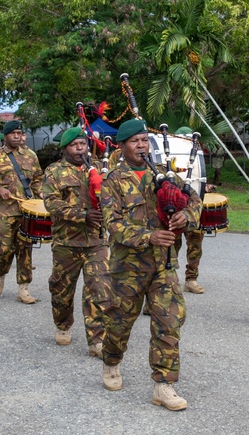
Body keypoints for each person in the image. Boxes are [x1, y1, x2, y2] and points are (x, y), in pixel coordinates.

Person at [99, 119, 201, 410]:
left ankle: (163, 385)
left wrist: (186, 216)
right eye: (135, 141)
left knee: (169, 322)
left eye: (145, 140)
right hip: (128, 267)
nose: (142, 145)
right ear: (122, 146)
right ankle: (112, 361)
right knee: (119, 322)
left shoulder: (165, 175)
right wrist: (149, 236)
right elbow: (113, 224)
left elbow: (194, 200)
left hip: (164, 266)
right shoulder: (113, 181)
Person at [42, 127, 107, 355]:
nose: (80, 148)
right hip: (66, 242)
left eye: (83, 144)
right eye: (74, 145)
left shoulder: (98, 168)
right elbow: (52, 204)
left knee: (99, 289)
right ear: (65, 148)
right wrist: (82, 215)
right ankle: (62, 324)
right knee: (61, 290)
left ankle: (97, 340)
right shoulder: (54, 172)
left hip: (96, 241)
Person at [0, 120, 43, 303]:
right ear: (5, 136)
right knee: (3, 248)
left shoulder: (30, 155)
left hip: (27, 210)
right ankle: (0, 272)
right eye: (12, 133)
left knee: (25, 249)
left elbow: (37, 179)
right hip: (4, 211)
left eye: (19, 133)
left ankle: (24, 288)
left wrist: (41, 194)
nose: (16, 136)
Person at [171, 126, 209, 294]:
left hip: (192, 208)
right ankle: (168, 279)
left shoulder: (195, 154)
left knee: (195, 245)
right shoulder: (170, 155)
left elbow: (198, 178)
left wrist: (204, 186)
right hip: (173, 208)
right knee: (172, 245)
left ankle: (191, 279)